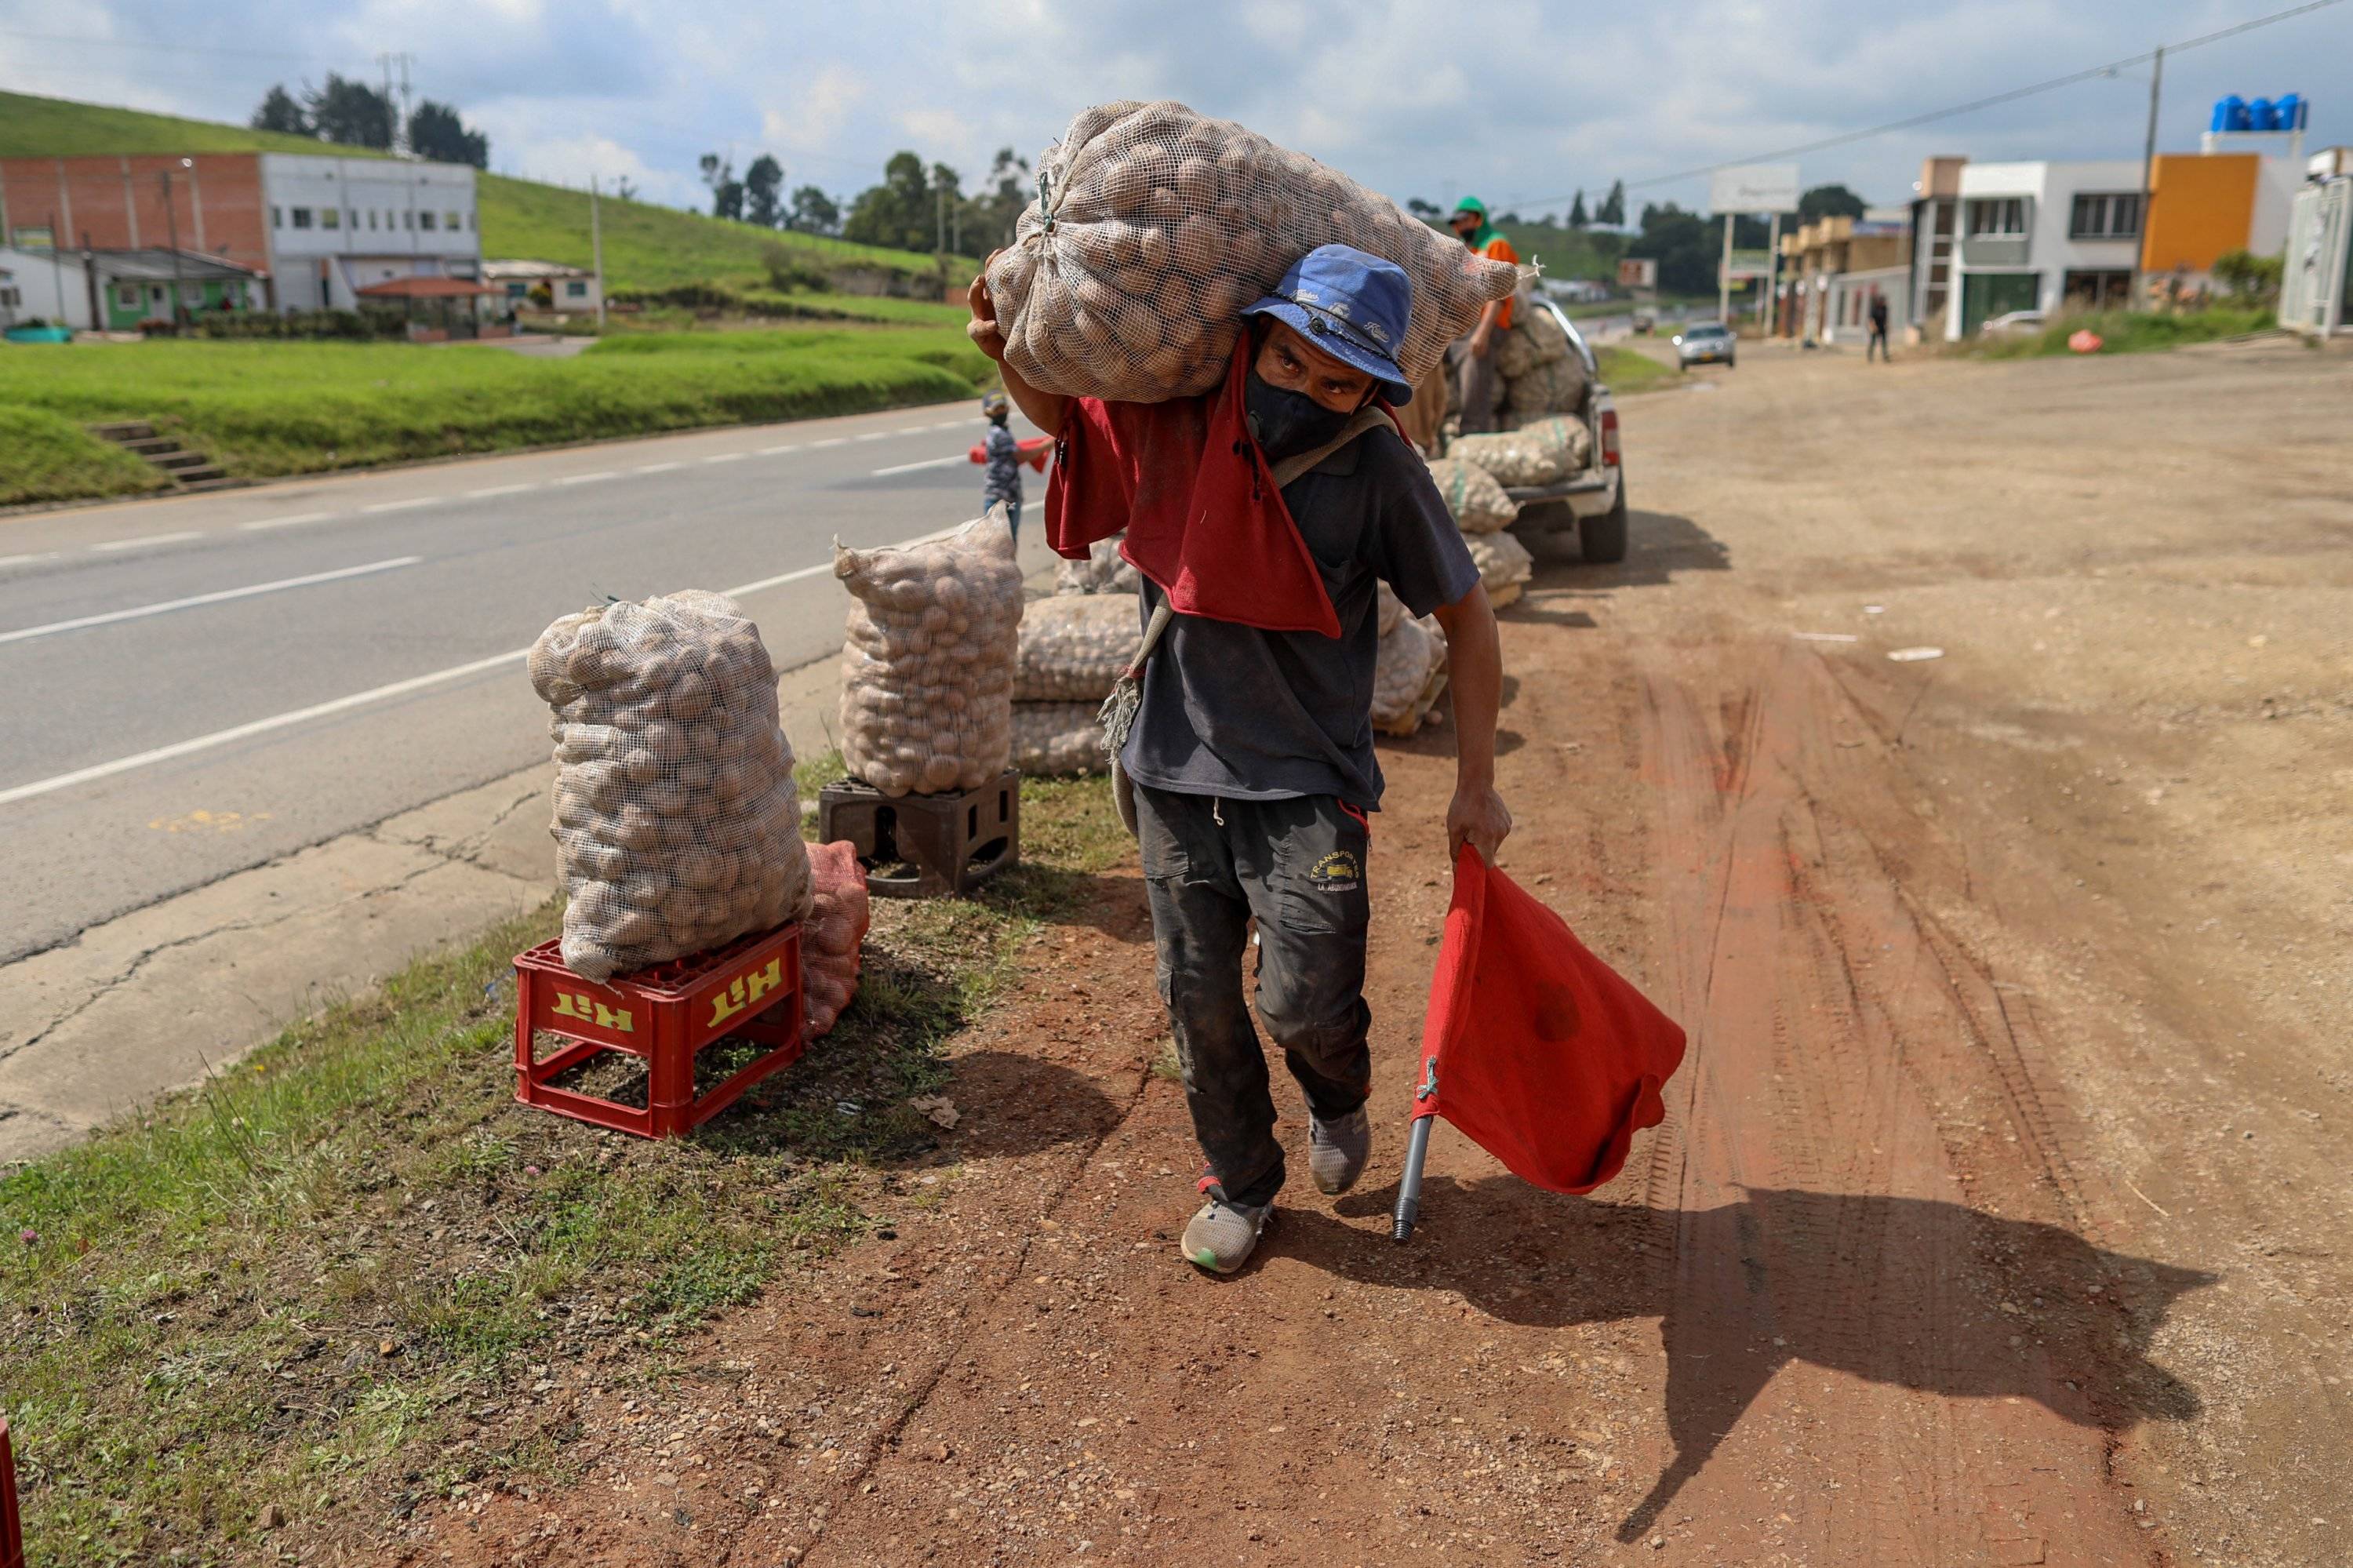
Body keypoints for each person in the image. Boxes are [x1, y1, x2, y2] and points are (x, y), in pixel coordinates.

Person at [968, 244, 1512, 1274]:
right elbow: (1064, 421)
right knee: (1197, 994)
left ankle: (1338, 1089)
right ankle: (1239, 1176)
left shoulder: (1375, 464)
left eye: (1338, 377)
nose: (1309, 387)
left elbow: (1470, 618)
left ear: (1372, 386)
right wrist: (1006, 347)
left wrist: (1475, 781)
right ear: (1255, 338)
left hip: (1307, 780)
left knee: (1303, 997)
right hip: (1173, 765)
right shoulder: (1178, 422)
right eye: (1291, 360)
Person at [1443, 198, 1520, 433]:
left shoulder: (1496, 245)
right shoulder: (1468, 251)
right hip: (1464, 325)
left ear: (1479, 219)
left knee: (1474, 363)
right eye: (1457, 223)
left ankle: (1473, 429)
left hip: (1488, 325)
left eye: (1465, 221)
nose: (1460, 227)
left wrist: (1483, 334)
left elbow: (1500, 293)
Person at [979, 390, 1024, 539]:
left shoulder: (1003, 430)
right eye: (996, 409)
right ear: (988, 413)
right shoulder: (999, 434)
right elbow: (1021, 455)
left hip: (1010, 494)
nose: (1001, 412)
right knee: (999, 542)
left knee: (1009, 539)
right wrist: (1047, 445)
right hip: (999, 497)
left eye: (1002, 408)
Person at [1866, 289, 1891, 362]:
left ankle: (1885, 356)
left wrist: (1887, 326)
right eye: (1882, 301)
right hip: (1875, 327)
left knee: (1884, 343)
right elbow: (1871, 319)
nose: (1883, 302)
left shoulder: (1884, 308)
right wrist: (1874, 327)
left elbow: (1886, 318)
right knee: (1873, 343)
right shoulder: (1874, 308)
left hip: (1882, 327)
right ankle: (1870, 357)